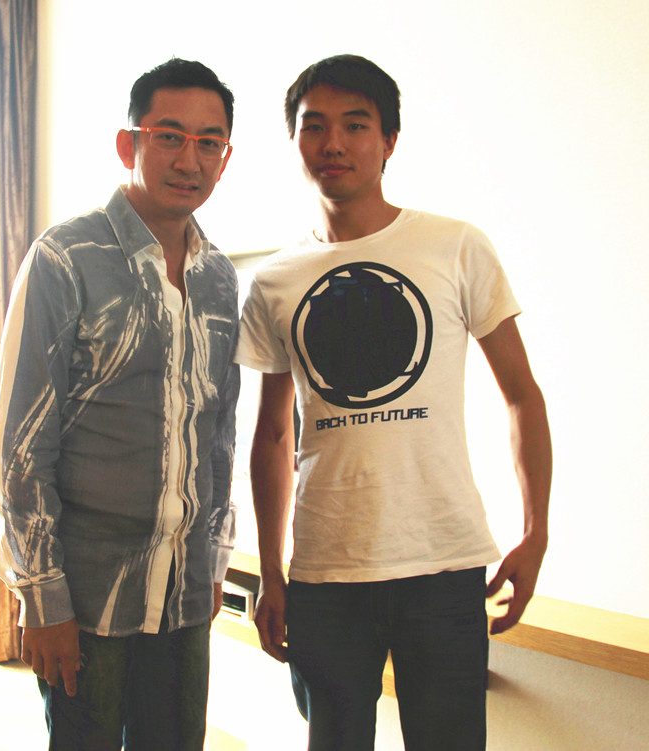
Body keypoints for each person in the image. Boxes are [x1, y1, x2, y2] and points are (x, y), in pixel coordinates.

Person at [235, 54, 552, 751]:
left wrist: (536, 532)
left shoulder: (455, 246)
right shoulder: (275, 281)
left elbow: (522, 397)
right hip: (325, 569)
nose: (334, 143)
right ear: (295, 142)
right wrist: (271, 569)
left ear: (389, 141)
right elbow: (272, 436)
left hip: (443, 563)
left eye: (356, 125)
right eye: (314, 126)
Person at [0, 58, 240, 751]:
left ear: (225, 158)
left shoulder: (219, 278)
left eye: (209, 142)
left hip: (184, 595)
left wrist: (214, 562)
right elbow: (20, 444)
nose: (189, 159)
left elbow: (219, 435)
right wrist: (43, 597)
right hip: (87, 594)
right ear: (130, 144)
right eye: (170, 136)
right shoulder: (66, 258)